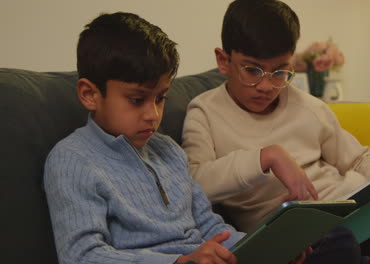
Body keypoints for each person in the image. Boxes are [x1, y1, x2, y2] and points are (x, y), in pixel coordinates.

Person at [181, 0, 370, 263]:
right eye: (253, 71)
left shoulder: (307, 106)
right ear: (223, 60)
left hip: (356, 213)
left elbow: (356, 159)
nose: (267, 86)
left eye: (280, 72)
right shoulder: (204, 112)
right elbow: (195, 184)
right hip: (303, 241)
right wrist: (267, 157)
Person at [43, 12, 247, 264]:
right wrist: (179, 262)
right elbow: (82, 255)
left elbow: (211, 229)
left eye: (161, 98)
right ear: (89, 94)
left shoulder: (169, 150)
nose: (153, 114)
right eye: (137, 100)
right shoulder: (72, 160)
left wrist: (267, 247)